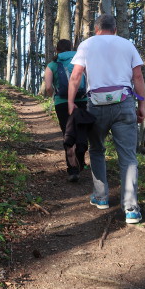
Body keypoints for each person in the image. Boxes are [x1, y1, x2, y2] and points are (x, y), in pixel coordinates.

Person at [67, 14, 145, 224]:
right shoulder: (127, 45)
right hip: (124, 104)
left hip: (97, 105)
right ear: (115, 28)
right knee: (128, 157)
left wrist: (70, 103)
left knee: (97, 150)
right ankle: (131, 209)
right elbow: (137, 77)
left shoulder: (86, 45)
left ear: (96, 29)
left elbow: (76, 76)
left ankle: (101, 197)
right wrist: (142, 104)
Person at [44, 39, 89, 182]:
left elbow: (48, 87)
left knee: (68, 132)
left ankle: (72, 169)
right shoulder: (81, 61)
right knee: (81, 130)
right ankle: (81, 157)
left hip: (62, 103)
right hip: (82, 100)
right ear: (71, 48)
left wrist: (54, 96)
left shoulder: (52, 65)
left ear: (57, 50)